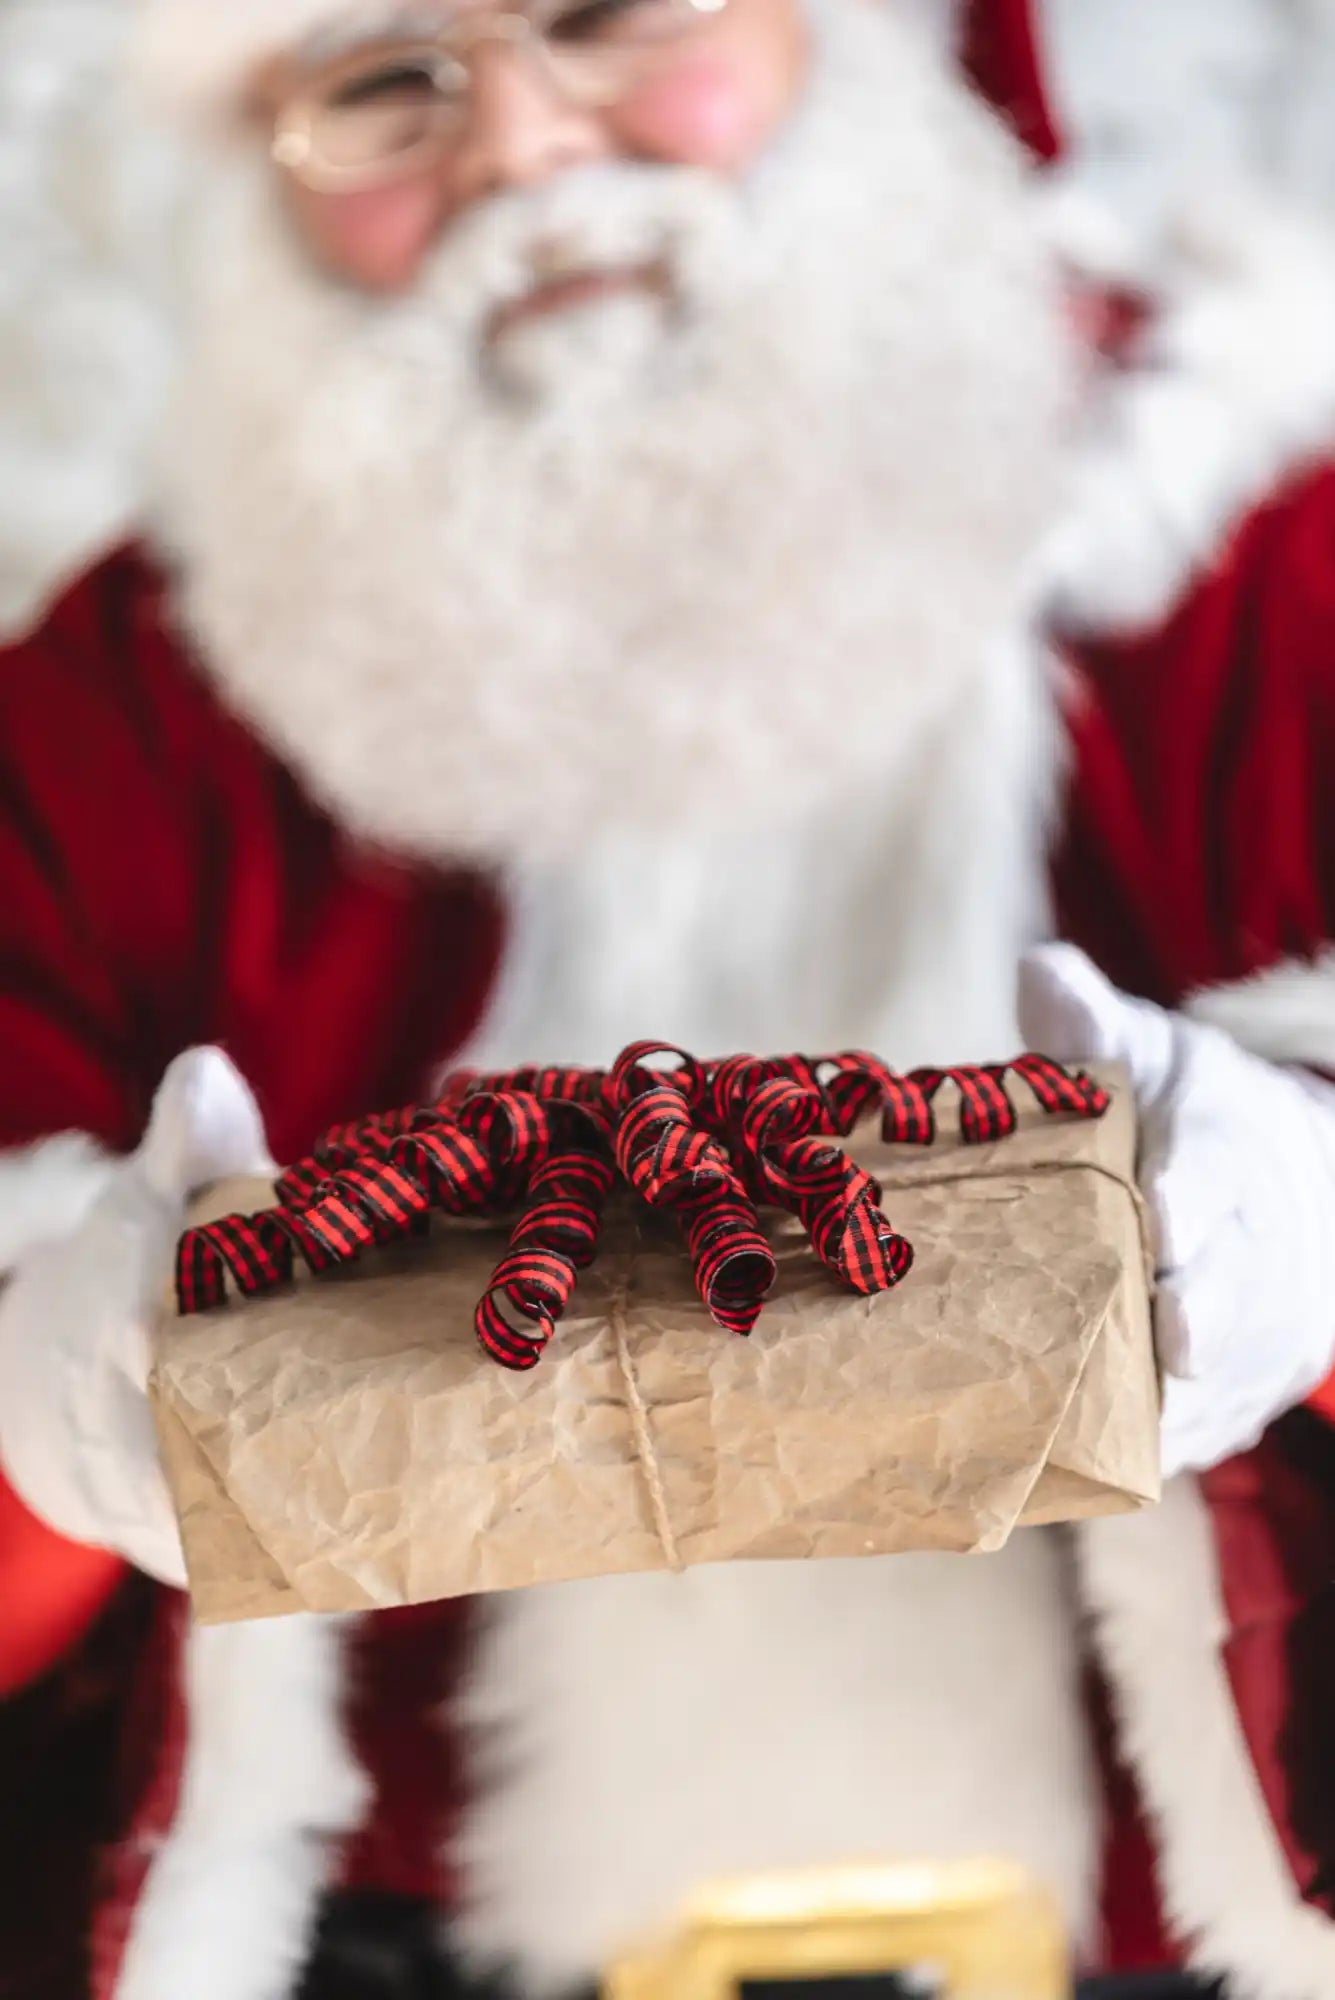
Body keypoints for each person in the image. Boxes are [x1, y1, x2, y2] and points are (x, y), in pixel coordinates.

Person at [4, 2, 1335, 1996]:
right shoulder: (124, 700)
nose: (527, 147)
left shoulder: (1257, 552)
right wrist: (43, 1421)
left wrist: (1310, 1236)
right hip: (400, 1926)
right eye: (386, 81)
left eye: (605, 13)